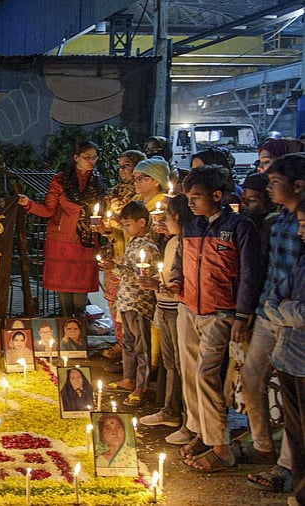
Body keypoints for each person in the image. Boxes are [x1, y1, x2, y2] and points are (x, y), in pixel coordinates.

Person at [167, 166, 260, 472]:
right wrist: (176, 281)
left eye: (196, 197)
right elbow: (181, 263)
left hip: (220, 312)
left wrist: (242, 315)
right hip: (189, 308)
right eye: (188, 197)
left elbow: (249, 275)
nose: (190, 203)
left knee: (206, 374)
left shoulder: (239, 228)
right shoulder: (192, 227)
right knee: (189, 372)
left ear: (217, 196)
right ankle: (200, 432)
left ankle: (221, 446)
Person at [239, 154, 304, 488]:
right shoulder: (276, 221)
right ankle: (263, 443)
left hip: (295, 319)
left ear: (298, 185)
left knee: (295, 399)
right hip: (269, 310)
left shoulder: (302, 223)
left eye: (275, 181)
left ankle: (287, 466)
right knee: (252, 377)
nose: (269, 185)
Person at [18, 141, 107, 317]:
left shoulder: (98, 183)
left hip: (86, 241)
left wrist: (104, 225)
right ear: (76, 158)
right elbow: (48, 210)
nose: (91, 161)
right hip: (62, 243)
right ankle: (66, 326)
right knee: (63, 288)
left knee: (81, 291)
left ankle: (79, 328)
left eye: (94, 157)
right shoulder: (61, 180)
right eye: (87, 157)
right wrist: (28, 204)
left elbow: (104, 212)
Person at [261, 198, 305, 506]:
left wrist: (283, 309)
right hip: (288, 354)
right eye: (300, 224)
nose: (301, 231)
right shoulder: (301, 259)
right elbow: (275, 296)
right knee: (296, 431)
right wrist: (283, 309)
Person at [139, 194, 194, 430]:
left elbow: (180, 282)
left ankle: (181, 415)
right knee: (170, 362)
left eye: (167, 217)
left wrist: (159, 286)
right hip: (165, 306)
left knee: (180, 365)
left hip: (176, 308)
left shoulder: (186, 244)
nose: (163, 222)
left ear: (178, 218)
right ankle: (170, 410)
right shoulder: (172, 241)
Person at [102, 201, 158, 407]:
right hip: (126, 300)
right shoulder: (133, 242)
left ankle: (141, 386)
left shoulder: (148, 247)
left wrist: (115, 269)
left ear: (142, 222)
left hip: (139, 302)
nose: (124, 229)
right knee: (128, 342)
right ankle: (128, 378)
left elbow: (141, 278)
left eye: (127, 225)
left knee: (141, 346)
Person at [100, 150, 146, 361]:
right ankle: (121, 344)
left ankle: (134, 352)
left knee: (129, 305)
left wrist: (119, 223)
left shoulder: (138, 198)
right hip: (115, 250)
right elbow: (115, 226)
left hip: (131, 255)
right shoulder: (115, 192)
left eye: (127, 165)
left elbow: (133, 226)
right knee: (113, 300)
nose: (122, 171)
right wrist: (107, 229)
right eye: (120, 166)